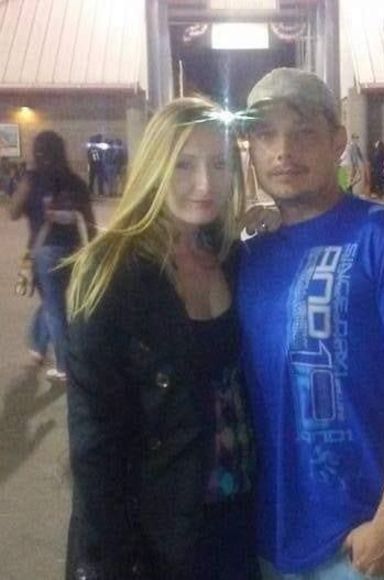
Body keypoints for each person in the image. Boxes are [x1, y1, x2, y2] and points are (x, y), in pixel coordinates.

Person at [238, 67, 384, 580]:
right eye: (266, 135)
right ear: (250, 149)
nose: (283, 151)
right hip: (266, 543)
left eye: (303, 132)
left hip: (358, 548)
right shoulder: (248, 256)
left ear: (338, 141)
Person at [65, 96, 259, 579]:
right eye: (184, 165)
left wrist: (278, 232)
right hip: (159, 533)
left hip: (240, 516)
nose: (205, 183)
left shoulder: (232, 256)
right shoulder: (113, 271)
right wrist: (106, 562)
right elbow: (95, 442)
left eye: (219, 164)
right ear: (155, 167)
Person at [9, 130, 95, 381]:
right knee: (52, 300)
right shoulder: (76, 182)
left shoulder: (32, 179)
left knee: (54, 308)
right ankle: (38, 345)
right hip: (73, 252)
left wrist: (25, 188)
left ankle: (65, 366)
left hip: (44, 251)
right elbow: (89, 221)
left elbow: (13, 212)